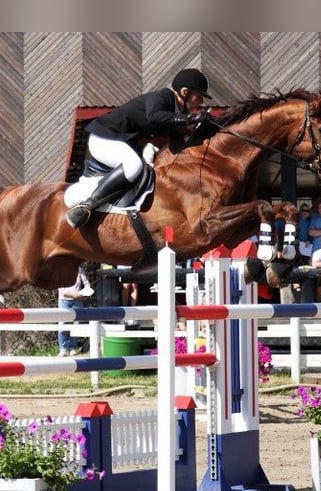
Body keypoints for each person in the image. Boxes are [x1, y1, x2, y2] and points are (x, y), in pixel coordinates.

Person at [65, 68, 212, 228]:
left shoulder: (173, 112)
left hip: (117, 142)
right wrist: (188, 118)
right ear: (184, 92)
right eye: (198, 96)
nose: (201, 102)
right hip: (103, 139)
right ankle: (85, 208)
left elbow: (178, 143)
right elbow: (154, 116)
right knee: (134, 165)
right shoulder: (162, 97)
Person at [57, 266, 92, 356]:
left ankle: (73, 347)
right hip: (64, 300)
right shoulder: (61, 269)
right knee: (62, 324)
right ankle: (63, 348)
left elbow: (87, 284)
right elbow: (61, 290)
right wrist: (74, 295)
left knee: (76, 325)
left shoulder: (79, 270)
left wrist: (86, 292)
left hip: (77, 301)